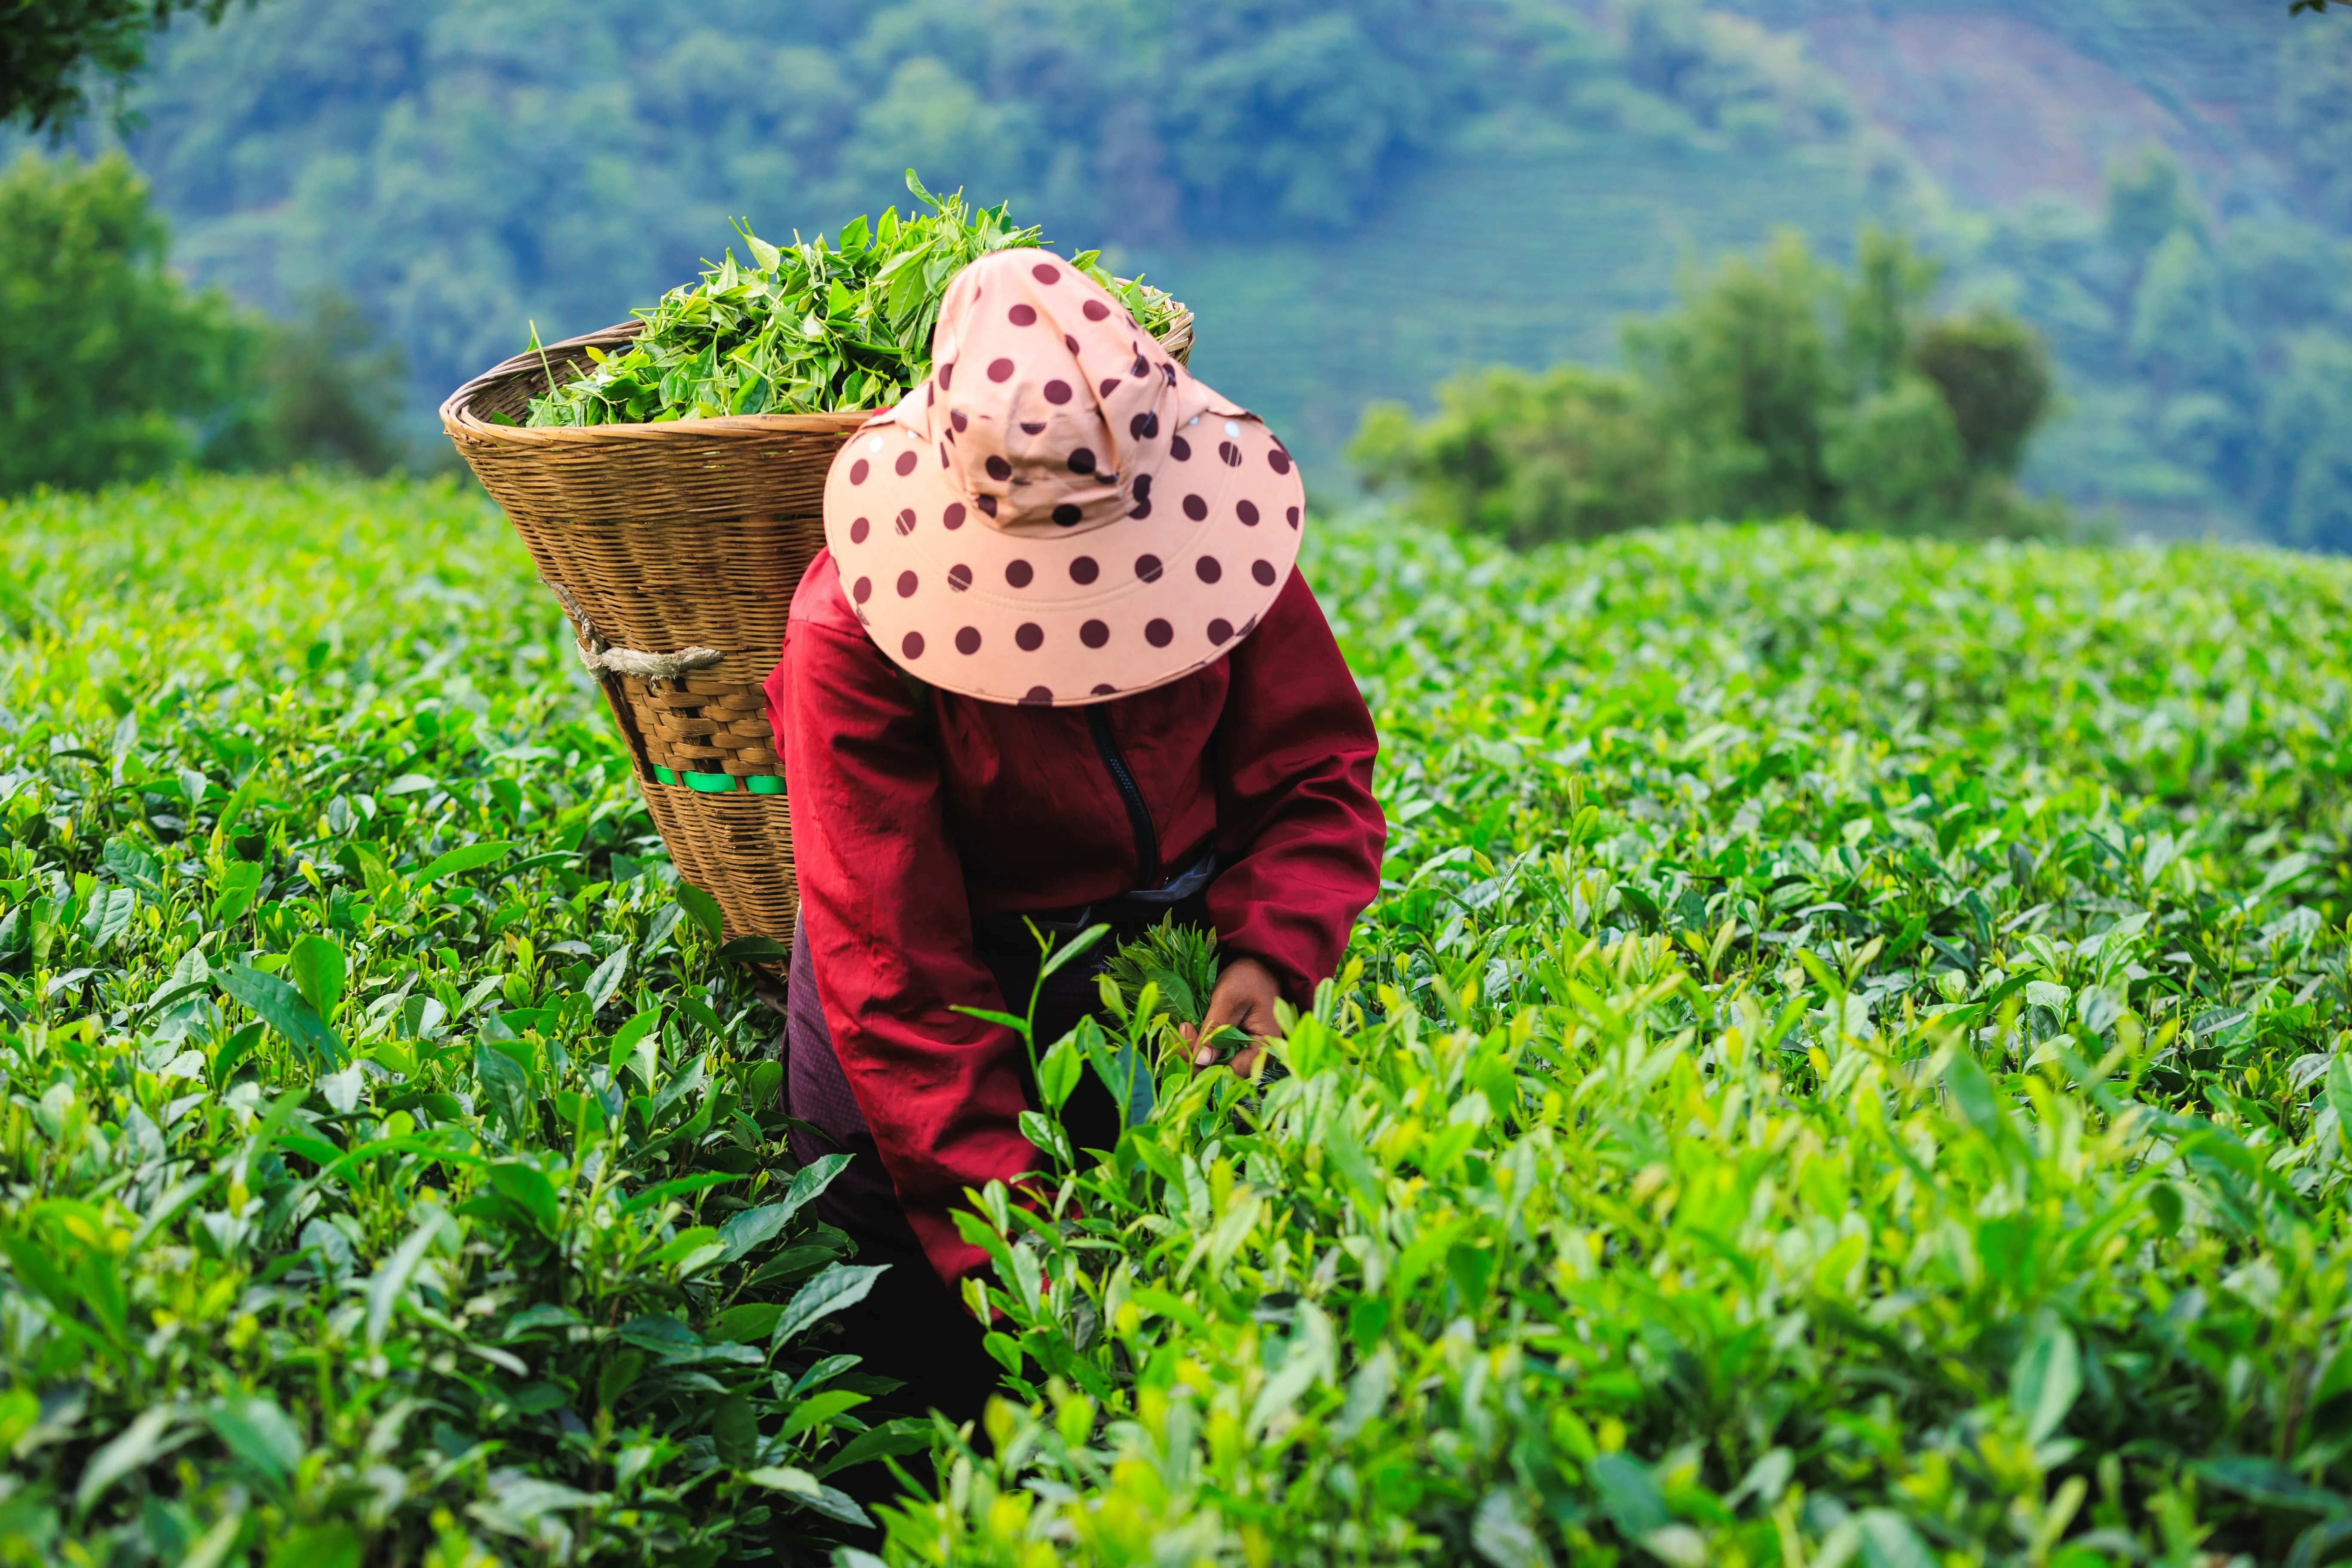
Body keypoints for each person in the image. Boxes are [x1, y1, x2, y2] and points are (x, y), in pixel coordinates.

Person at [763, 248, 1384, 1427]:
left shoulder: (1220, 551)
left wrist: (1268, 954)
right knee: (939, 1406)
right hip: (930, 1036)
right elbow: (897, 965)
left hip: (1156, 984)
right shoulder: (849, 632)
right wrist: (1016, 1244)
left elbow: (1315, 777)